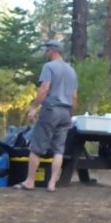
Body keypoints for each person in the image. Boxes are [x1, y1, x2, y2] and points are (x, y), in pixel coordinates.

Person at [16, 39, 77, 192]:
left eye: (47, 50)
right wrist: (70, 116)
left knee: (37, 146)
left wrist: (34, 108)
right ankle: (52, 184)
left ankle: (30, 181)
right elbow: (74, 96)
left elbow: (44, 89)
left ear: (53, 51)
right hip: (65, 112)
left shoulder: (48, 67)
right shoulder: (71, 70)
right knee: (58, 149)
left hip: (51, 109)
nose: (46, 52)